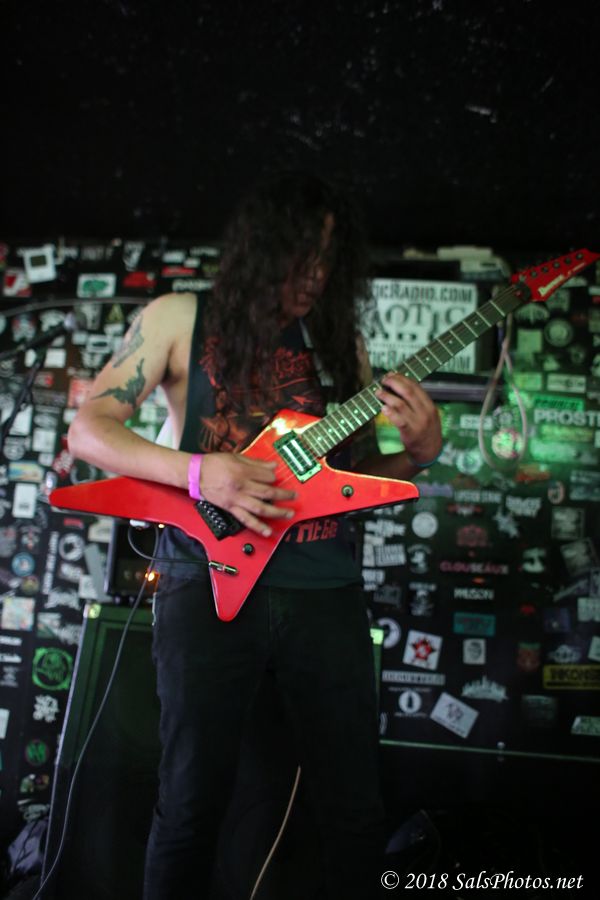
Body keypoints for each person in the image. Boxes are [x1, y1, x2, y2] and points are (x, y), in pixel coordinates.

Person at [67, 170, 442, 899]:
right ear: (262, 246)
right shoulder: (178, 317)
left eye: (328, 259)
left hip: (325, 590)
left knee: (355, 809)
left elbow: (355, 475)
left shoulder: (339, 344)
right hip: (203, 582)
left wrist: (420, 454)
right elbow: (89, 430)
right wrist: (201, 472)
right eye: (302, 254)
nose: (315, 274)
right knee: (189, 803)